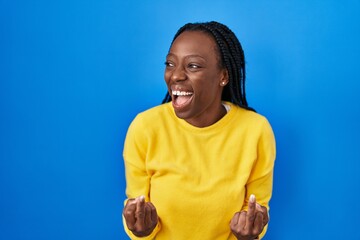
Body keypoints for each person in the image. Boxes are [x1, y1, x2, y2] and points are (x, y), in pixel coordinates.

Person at [122, 21, 276, 240]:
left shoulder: (255, 130)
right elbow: (136, 209)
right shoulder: (145, 127)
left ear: (223, 76)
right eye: (170, 64)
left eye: (193, 66)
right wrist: (140, 228)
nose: (175, 76)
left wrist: (251, 231)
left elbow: (257, 209)